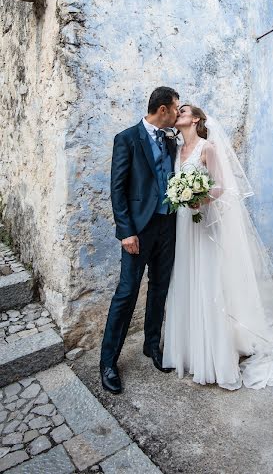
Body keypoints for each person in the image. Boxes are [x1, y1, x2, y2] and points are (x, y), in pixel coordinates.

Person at [163, 105, 273, 392]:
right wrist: (181, 197)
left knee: (208, 281)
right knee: (186, 278)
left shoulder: (208, 148)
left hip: (204, 221)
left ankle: (214, 354)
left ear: (196, 119)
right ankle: (189, 350)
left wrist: (198, 197)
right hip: (184, 224)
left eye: (184, 111)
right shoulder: (177, 148)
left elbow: (221, 188)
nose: (179, 113)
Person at [100, 86, 180, 394]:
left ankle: (152, 346)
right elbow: (117, 189)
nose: (177, 113)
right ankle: (108, 362)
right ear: (162, 110)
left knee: (160, 288)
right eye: (175, 108)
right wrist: (126, 232)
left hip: (167, 226)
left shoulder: (172, 141)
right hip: (138, 231)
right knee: (126, 292)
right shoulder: (127, 138)